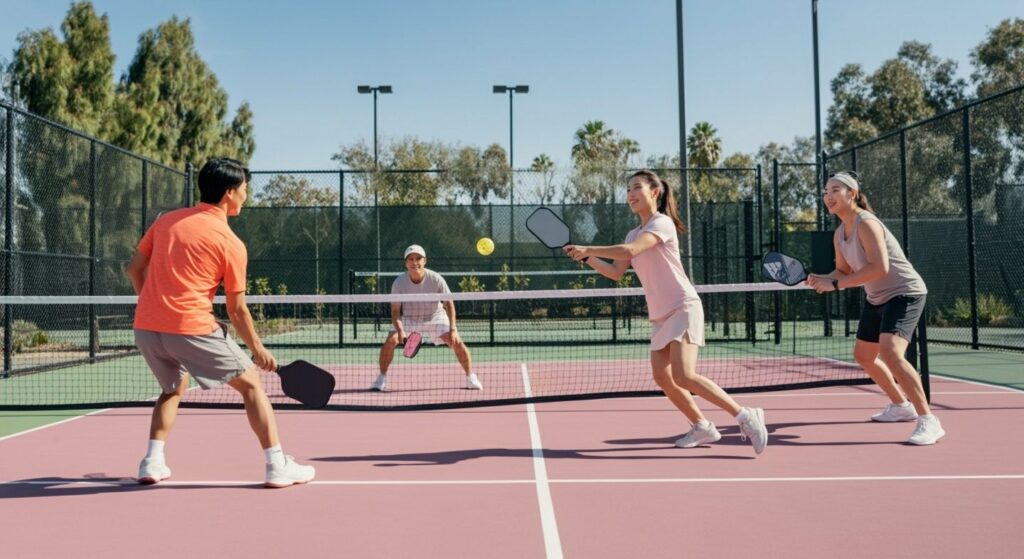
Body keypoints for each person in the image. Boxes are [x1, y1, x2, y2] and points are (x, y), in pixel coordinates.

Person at [127, 158, 315, 487]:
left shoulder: (165, 221)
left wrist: (156, 307)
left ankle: (151, 462)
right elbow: (237, 309)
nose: (246, 195)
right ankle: (277, 465)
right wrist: (258, 349)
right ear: (229, 192)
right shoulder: (230, 243)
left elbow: (133, 269)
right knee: (252, 385)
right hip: (190, 328)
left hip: (146, 329)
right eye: (244, 189)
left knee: (172, 389)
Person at [564, 170, 768, 454]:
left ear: (654, 192)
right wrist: (587, 257)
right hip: (661, 315)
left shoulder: (662, 223)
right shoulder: (633, 232)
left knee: (684, 375)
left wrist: (590, 246)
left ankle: (745, 416)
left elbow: (630, 250)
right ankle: (702, 426)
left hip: (683, 306)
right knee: (663, 377)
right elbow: (615, 272)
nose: (631, 194)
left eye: (637, 187)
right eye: (628, 189)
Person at [807, 171, 944, 445]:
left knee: (891, 352)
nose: (828, 196)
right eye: (825, 192)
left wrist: (836, 285)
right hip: (877, 297)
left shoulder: (866, 223)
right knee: (864, 356)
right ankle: (900, 406)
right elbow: (842, 271)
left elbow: (879, 267)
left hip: (905, 292)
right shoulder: (839, 234)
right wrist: (821, 279)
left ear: (853, 194)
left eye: (835, 190)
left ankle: (929, 420)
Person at [370, 245, 483, 392]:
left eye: (418, 258)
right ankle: (381, 378)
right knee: (390, 341)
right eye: (411, 259)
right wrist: (401, 331)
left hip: (435, 316)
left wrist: (453, 329)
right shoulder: (399, 282)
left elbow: (449, 304)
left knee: (456, 342)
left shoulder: (436, 278)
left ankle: (470, 377)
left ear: (425, 261)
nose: (414, 262)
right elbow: (395, 312)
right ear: (406, 263)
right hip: (409, 318)